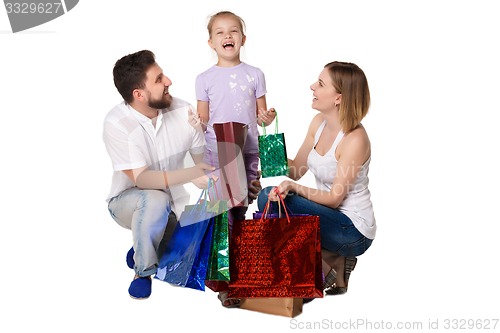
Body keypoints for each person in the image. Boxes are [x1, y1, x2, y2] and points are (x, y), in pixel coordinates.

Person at [257, 61, 376, 298]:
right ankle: (333, 262)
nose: (313, 87)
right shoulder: (319, 124)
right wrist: (265, 132)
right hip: (330, 219)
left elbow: (333, 199)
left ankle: (326, 263)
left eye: (320, 84)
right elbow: (295, 170)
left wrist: (291, 187)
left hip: (352, 230)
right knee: (270, 197)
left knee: (271, 198)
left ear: (339, 98)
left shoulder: (355, 140)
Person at [103, 50, 214, 300]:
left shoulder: (183, 111)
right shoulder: (117, 123)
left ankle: (144, 244)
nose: (169, 82)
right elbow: (142, 180)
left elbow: (202, 164)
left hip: (172, 207)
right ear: (138, 95)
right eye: (159, 79)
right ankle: (142, 272)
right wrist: (191, 173)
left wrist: (211, 174)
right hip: (127, 203)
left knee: (189, 256)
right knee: (154, 199)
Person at [191, 10, 276, 307]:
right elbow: (203, 118)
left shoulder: (255, 74)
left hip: (248, 153)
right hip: (217, 154)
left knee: (239, 212)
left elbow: (262, 118)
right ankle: (225, 284)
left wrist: (268, 117)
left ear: (243, 38)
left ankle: (240, 275)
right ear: (211, 43)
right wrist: (196, 125)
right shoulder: (205, 78)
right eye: (220, 33)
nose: (227, 36)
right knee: (221, 214)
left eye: (233, 31)